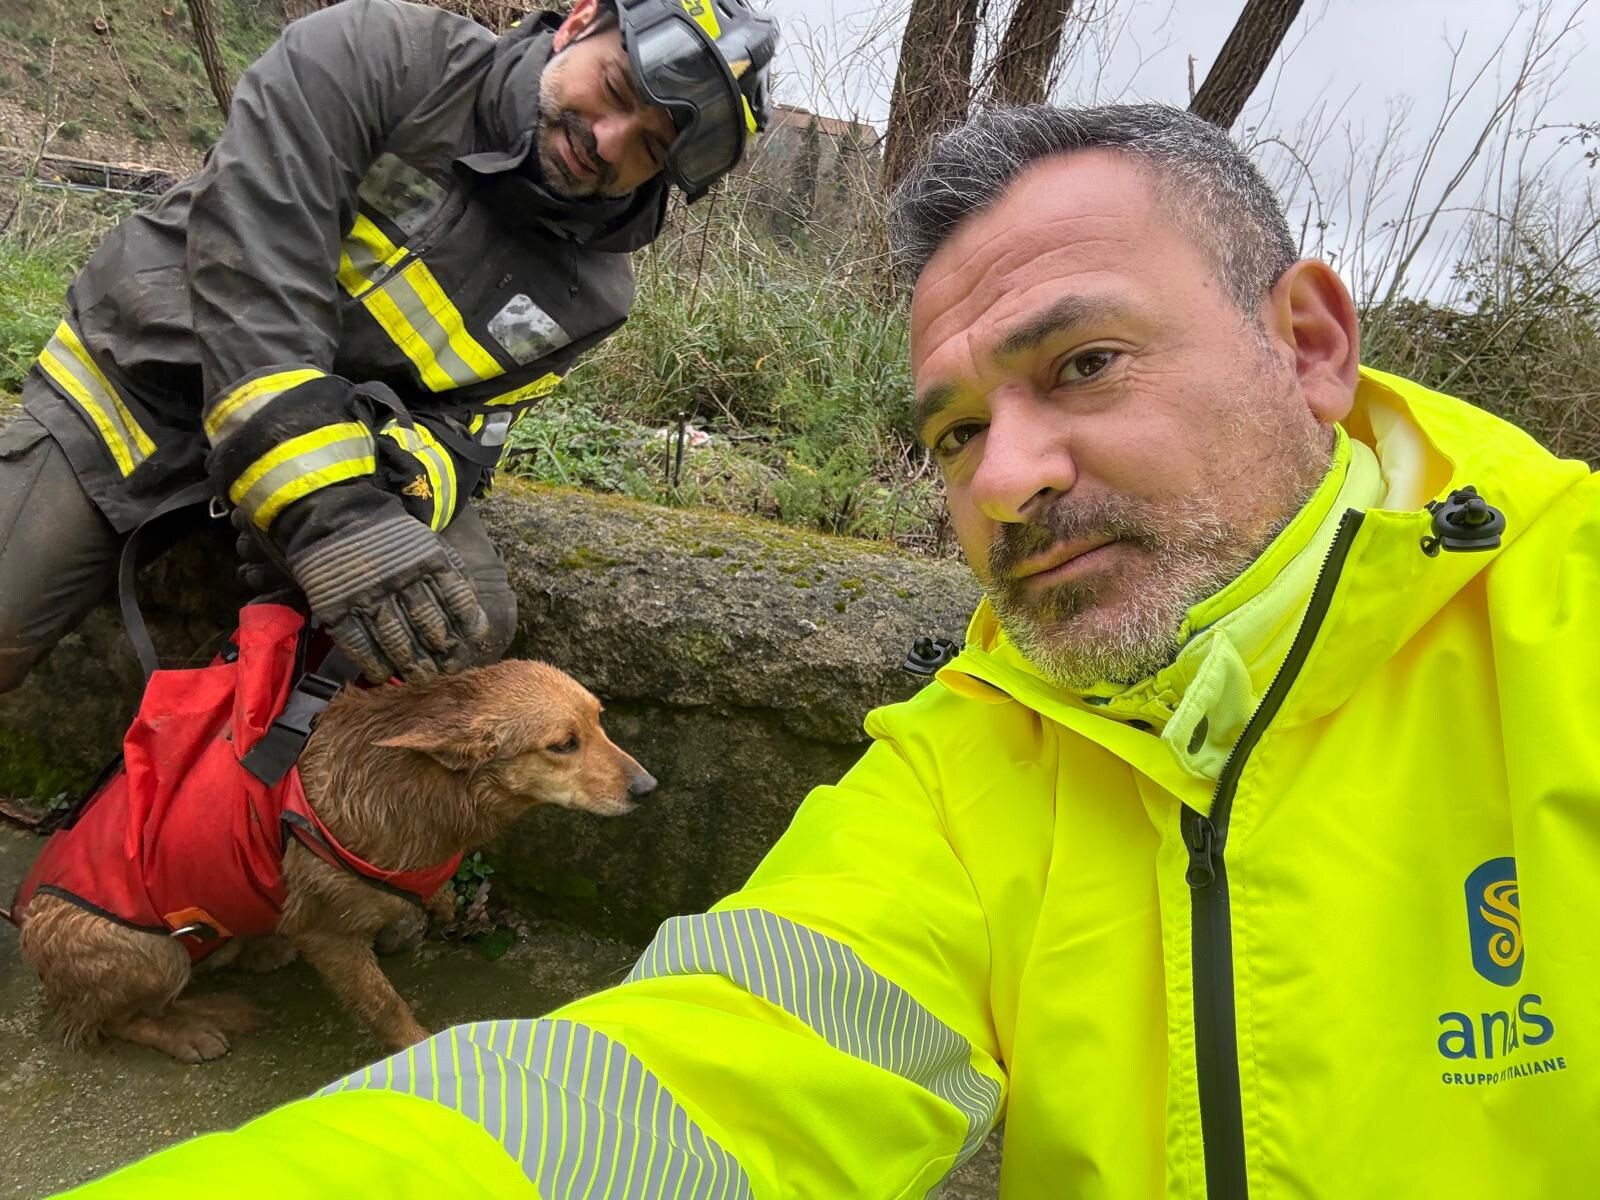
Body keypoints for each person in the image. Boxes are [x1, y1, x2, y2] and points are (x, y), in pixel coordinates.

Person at [52, 103, 1600, 1197]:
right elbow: (683, 1085)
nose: (1002, 481)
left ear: (1313, 345)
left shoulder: (1566, 624)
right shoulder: (962, 763)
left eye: (1088, 362)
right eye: (955, 431)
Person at [0, 0, 777, 688]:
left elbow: (468, 438)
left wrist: (392, 488)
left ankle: (260, 822)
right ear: (577, 22)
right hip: (137, 397)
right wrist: (326, 507)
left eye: (647, 147)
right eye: (613, 92)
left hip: (336, 454)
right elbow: (253, 280)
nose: (606, 141)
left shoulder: (596, 296)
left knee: (461, 630)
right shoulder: (376, 54)